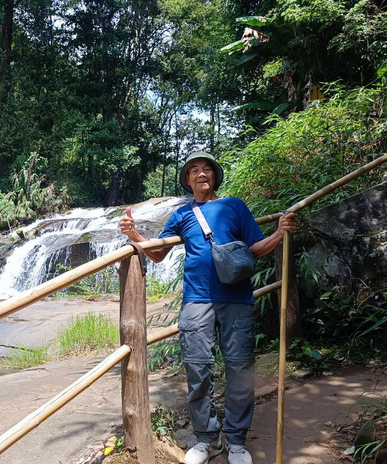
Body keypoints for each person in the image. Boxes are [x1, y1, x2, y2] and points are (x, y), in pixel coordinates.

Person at [119, 151, 296, 464]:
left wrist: (279, 233)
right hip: (196, 301)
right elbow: (157, 255)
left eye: (206, 169)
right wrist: (134, 234)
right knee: (198, 370)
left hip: (237, 300)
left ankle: (237, 441)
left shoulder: (234, 206)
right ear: (187, 180)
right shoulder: (182, 215)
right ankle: (207, 439)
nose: (201, 174)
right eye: (194, 170)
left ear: (214, 176)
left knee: (240, 369)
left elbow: (254, 248)